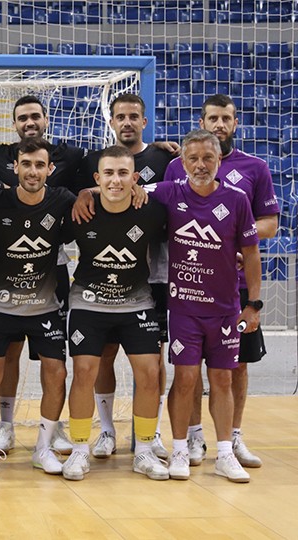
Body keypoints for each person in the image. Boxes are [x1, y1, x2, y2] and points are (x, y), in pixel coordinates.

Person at [162, 95, 280, 469]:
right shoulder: (173, 173)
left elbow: (270, 226)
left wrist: (229, 235)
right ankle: (192, 440)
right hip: (188, 292)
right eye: (212, 117)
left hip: (235, 288)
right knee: (186, 372)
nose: (219, 123)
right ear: (203, 120)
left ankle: (232, 441)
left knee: (234, 369)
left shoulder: (253, 171)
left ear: (235, 122)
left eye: (226, 118)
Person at [0, 95, 86, 455]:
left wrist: (89, 192)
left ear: (49, 168)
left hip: (48, 294)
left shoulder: (66, 194)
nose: (32, 171)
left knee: (56, 370)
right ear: (14, 167)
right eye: (26, 165)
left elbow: (106, 179)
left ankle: (48, 438)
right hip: (0, 296)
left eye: (39, 165)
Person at [148, 129, 261, 483]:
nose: (200, 165)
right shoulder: (169, 192)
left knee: (223, 379)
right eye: (193, 158)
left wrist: (253, 304)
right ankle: (180, 448)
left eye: (207, 158)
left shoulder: (238, 198)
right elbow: (123, 190)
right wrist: (85, 195)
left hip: (226, 308)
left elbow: (253, 253)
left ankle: (225, 453)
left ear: (218, 161)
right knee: (184, 378)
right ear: (182, 162)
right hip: (183, 308)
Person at [78, 93, 177, 460]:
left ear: (145, 121)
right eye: (121, 116)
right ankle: (106, 431)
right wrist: (86, 192)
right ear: (112, 122)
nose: (127, 122)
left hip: (155, 276)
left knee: (151, 361)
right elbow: (86, 196)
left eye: (134, 116)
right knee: (102, 356)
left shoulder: (165, 158)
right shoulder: (95, 160)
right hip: (108, 277)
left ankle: (149, 435)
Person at [62, 146, 169, 482]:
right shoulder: (81, 209)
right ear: (97, 178)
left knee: (150, 373)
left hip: (136, 303)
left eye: (123, 173)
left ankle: (145, 451)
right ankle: (80, 449)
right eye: (108, 173)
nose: (116, 180)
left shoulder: (152, 211)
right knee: (84, 370)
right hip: (88, 303)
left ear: (135, 178)